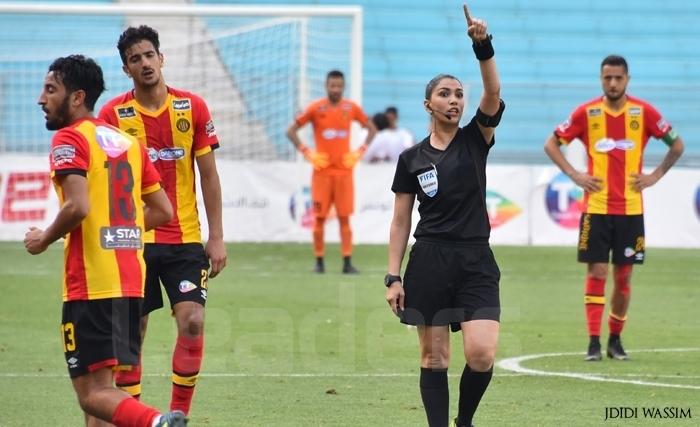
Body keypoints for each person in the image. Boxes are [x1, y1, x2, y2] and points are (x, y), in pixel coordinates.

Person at [26, 54, 186, 426]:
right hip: (130, 282)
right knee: (106, 389)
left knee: (92, 394)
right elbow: (163, 210)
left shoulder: (69, 139)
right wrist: (120, 223)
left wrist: (44, 239)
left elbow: (77, 207)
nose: (40, 98)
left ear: (77, 97)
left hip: (92, 284)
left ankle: (157, 423)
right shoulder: (126, 143)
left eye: (50, 89)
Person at [385, 5, 505, 427]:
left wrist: (482, 45)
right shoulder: (411, 158)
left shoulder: (477, 138)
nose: (454, 100)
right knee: (434, 357)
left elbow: (492, 93)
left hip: (475, 260)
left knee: (482, 354)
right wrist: (393, 276)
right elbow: (401, 222)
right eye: (445, 94)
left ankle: (464, 420)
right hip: (430, 259)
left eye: (458, 94)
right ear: (428, 104)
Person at [98, 25, 227, 415]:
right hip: (132, 241)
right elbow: (105, 181)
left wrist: (216, 236)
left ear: (161, 58)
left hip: (185, 239)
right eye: (135, 59)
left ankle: (178, 416)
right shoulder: (113, 115)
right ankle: (135, 417)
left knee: (192, 321)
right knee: (133, 332)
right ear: (126, 69)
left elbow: (208, 174)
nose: (144, 63)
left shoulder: (192, 107)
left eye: (149, 55)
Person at [544, 54, 684, 362]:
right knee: (597, 271)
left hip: (631, 210)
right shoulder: (587, 112)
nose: (613, 83)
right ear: (601, 79)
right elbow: (551, 143)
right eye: (607, 77)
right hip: (596, 208)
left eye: (618, 78)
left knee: (623, 279)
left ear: (627, 80)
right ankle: (593, 342)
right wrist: (575, 175)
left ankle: (615, 340)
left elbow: (676, 144)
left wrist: (654, 176)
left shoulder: (644, 112)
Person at [286, 69, 377, 274]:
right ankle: (319, 262)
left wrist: (359, 152)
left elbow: (372, 129)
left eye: (339, 86)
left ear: (343, 87)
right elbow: (290, 131)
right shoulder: (316, 108)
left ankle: (347, 262)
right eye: (332, 85)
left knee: (345, 218)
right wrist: (307, 152)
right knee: (319, 218)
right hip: (322, 174)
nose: (335, 89)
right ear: (326, 86)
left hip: (344, 173)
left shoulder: (351, 108)